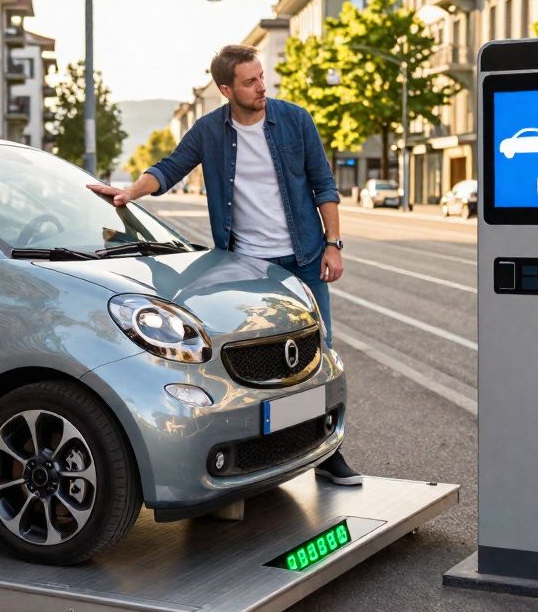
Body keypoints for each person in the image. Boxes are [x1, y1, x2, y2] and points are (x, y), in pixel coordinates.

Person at [87, 44, 362, 486]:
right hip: (246, 267)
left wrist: (334, 244)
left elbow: (323, 184)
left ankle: (328, 453)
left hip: (306, 258)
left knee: (316, 358)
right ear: (226, 89)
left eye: (261, 77)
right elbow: (170, 167)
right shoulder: (210, 131)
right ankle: (259, 454)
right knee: (255, 369)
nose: (261, 87)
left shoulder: (295, 120)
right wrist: (127, 194)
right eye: (250, 81)